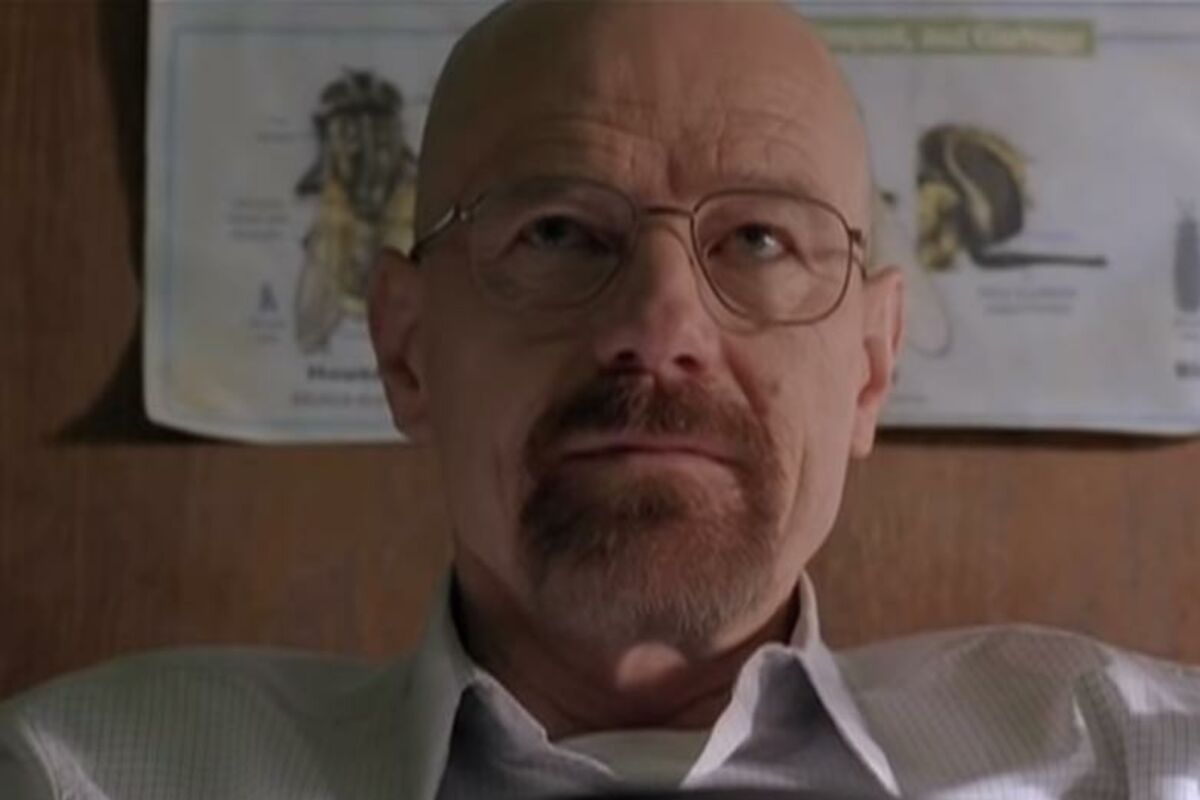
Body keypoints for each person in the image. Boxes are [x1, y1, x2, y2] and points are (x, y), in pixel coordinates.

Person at [3, 2, 1199, 798]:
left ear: (870, 371)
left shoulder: (1139, 760)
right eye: (559, 231)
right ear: (408, 351)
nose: (662, 326)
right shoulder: (83, 776)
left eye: (760, 239)